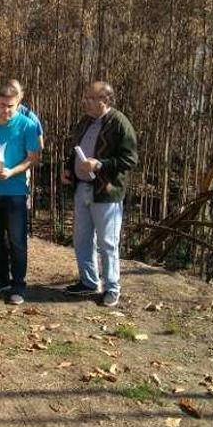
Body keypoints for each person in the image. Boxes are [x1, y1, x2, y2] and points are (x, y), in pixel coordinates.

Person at [61, 81, 138, 308]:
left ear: (105, 100)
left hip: (106, 193)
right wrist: (68, 168)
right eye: (86, 97)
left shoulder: (120, 123)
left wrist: (100, 165)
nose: (86, 101)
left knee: (107, 243)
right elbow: (75, 149)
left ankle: (112, 288)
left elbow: (130, 160)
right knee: (82, 239)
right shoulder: (85, 121)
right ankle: (88, 281)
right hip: (82, 188)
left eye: (91, 98)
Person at [0, 84, 41, 305]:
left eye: (11, 106)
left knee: (17, 241)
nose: (6, 111)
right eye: (2, 105)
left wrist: (12, 171)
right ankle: (1, 279)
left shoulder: (27, 126)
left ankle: (18, 285)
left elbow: (33, 157)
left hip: (15, 191)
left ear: (18, 103)